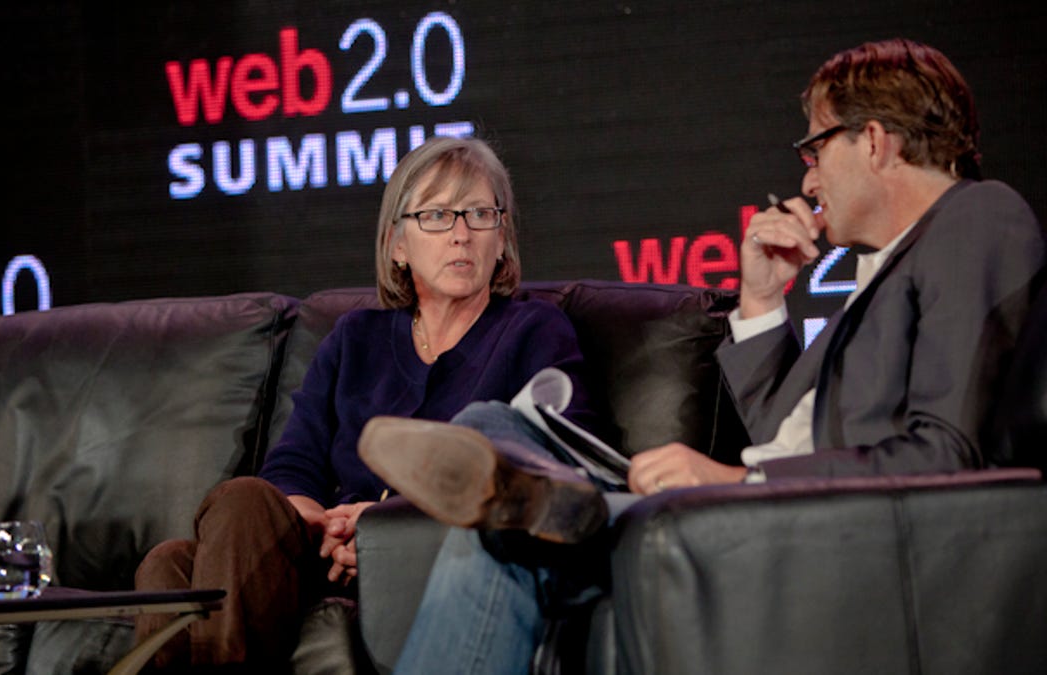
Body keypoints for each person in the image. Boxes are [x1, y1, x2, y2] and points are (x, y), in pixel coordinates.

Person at [360, 37, 1046, 674]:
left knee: (502, 497)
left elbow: (944, 452)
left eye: (813, 151)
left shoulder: (976, 217)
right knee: (493, 426)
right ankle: (562, 497)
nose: (807, 182)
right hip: (785, 510)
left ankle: (568, 500)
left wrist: (728, 481)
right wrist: (760, 301)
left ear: (873, 140)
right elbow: (784, 434)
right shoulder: (885, 273)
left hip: (810, 528)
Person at [131, 135, 606, 671]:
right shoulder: (354, 338)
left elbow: (563, 465)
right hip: (323, 555)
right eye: (437, 216)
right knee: (185, 549)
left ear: (503, 240)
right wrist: (322, 523)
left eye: (479, 214)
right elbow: (294, 467)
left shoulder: (533, 330)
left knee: (173, 568)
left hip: (431, 556)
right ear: (397, 245)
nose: (461, 234)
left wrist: (385, 525)